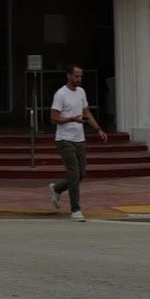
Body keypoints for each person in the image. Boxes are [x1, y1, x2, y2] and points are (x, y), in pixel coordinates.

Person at [48, 63, 106, 220]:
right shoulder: (60, 94)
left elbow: (86, 112)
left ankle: (58, 188)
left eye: (81, 76)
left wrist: (98, 129)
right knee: (74, 174)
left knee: (81, 174)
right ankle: (75, 210)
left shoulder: (81, 92)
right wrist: (71, 119)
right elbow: (53, 118)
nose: (79, 79)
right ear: (68, 75)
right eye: (76, 76)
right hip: (65, 139)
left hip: (80, 138)